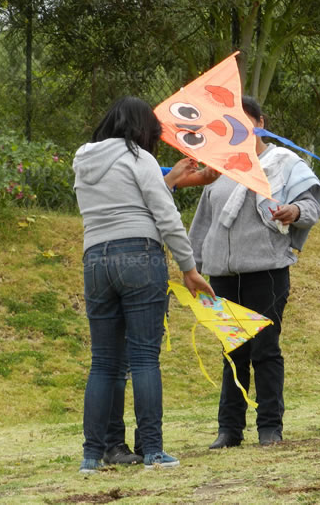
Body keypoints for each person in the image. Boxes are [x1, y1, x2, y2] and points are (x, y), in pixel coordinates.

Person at [73, 96, 215, 473]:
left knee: (103, 362)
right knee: (144, 358)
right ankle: (152, 451)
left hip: (95, 259)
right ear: (142, 130)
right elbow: (165, 215)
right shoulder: (139, 157)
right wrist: (189, 267)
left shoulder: (83, 159)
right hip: (139, 255)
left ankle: (91, 456)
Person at [188, 96, 320, 449]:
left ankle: (269, 428)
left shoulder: (284, 163)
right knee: (233, 352)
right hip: (221, 275)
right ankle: (229, 429)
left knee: (264, 350)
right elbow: (203, 222)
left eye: (241, 121)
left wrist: (294, 211)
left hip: (266, 271)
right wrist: (194, 267)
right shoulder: (218, 168)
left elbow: (311, 206)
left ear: (259, 123)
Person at [102, 158, 220, 467]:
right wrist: (167, 184)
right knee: (120, 363)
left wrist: (210, 168)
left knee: (139, 360)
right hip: (124, 262)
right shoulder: (112, 165)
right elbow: (141, 205)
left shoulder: (145, 164)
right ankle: (116, 445)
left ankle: (144, 444)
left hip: (137, 267)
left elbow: (194, 178)